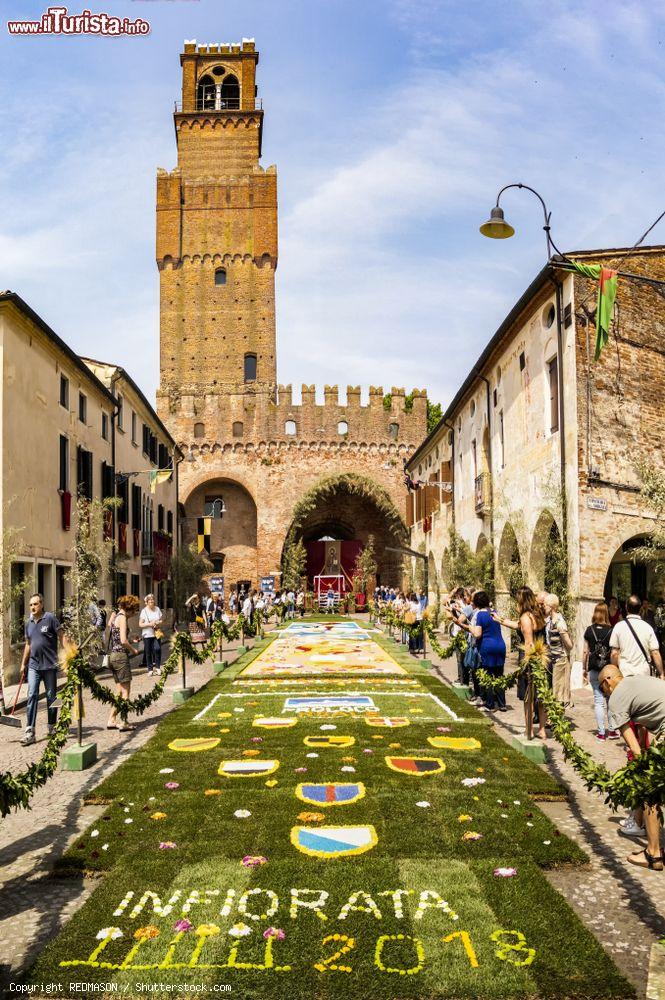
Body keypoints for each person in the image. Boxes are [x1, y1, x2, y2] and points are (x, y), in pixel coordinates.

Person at [599, 663, 665, 871]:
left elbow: (635, 749)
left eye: (602, 689)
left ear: (607, 681)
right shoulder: (638, 682)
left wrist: (640, 769)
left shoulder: (617, 698)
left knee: (649, 791)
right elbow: (645, 725)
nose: (605, 694)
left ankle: (653, 854)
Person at [493, 587, 548, 740]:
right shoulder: (537, 614)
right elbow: (519, 626)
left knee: (527, 697)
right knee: (541, 695)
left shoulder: (525, 617)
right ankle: (542, 730)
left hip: (530, 659)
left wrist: (528, 664)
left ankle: (529, 730)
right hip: (542, 657)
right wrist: (500, 620)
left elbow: (529, 642)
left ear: (522, 600)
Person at [20, 594, 63, 746]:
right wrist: (23, 663)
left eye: (35, 604)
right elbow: (28, 644)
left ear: (42, 605)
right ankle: (30, 731)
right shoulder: (29, 623)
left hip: (50, 666)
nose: (33, 607)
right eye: (31, 605)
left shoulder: (50, 618)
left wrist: (68, 655)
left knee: (53, 697)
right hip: (34, 666)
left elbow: (62, 636)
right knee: (32, 695)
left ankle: (52, 726)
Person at [460, 590, 507, 712]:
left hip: (488, 647)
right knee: (499, 674)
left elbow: (477, 634)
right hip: (500, 645)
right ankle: (502, 704)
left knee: (488, 675)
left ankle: (490, 704)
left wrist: (469, 626)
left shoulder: (480, 615)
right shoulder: (493, 612)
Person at [582, 601, 617, 741]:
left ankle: (601, 733)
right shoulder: (611, 630)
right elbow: (615, 651)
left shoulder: (589, 630)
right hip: (608, 670)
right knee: (610, 700)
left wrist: (584, 669)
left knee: (598, 701)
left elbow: (585, 651)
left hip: (594, 669)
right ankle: (613, 730)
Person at [609, 594, 663, 679]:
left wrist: (614, 672)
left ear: (626, 607)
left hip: (624, 673)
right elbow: (655, 652)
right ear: (640, 608)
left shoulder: (619, 627)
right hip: (644, 673)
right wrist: (662, 673)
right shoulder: (648, 627)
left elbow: (614, 653)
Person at [107, 595, 140, 732]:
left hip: (113, 656)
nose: (134, 614)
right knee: (126, 691)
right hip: (121, 657)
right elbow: (123, 641)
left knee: (119, 692)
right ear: (129, 608)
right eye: (134, 610)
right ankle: (124, 721)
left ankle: (111, 719)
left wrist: (132, 640)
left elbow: (117, 637)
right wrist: (134, 650)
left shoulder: (116, 618)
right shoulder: (123, 618)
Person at [544, 594, 573, 708]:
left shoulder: (560, 623)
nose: (543, 607)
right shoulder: (550, 620)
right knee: (555, 689)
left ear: (551, 607)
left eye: (545, 605)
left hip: (561, 659)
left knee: (559, 691)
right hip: (554, 658)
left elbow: (569, 645)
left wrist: (565, 635)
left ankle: (557, 720)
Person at [139, 594, 163, 677]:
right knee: (148, 652)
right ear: (147, 602)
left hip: (156, 633)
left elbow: (161, 620)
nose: (152, 603)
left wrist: (158, 623)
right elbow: (140, 624)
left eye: (153, 601)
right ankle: (150, 669)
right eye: (150, 602)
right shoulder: (144, 611)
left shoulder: (157, 609)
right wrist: (150, 624)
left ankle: (158, 667)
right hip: (147, 634)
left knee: (157, 649)